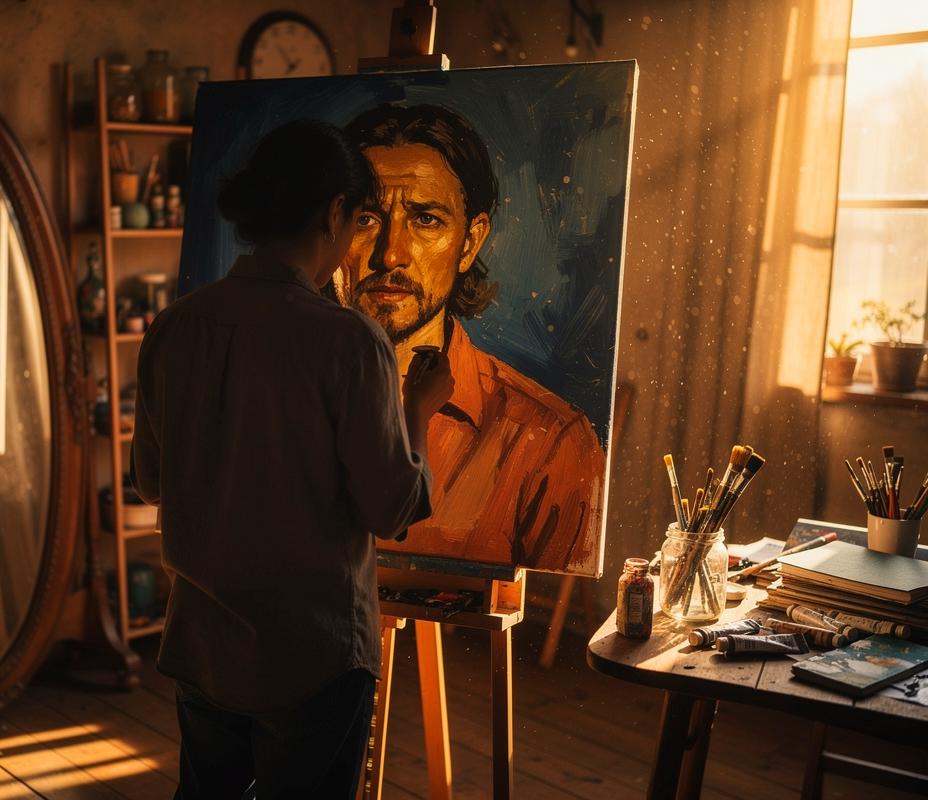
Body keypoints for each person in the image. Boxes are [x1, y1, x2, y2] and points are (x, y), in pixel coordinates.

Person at [130, 119, 453, 798]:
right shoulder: (348, 342)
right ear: (335, 212)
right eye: (361, 221)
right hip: (312, 654)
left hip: (202, 641)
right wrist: (418, 409)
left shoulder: (175, 326)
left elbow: (150, 481)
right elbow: (391, 506)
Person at [337, 104, 606, 572]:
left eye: (425, 219)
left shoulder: (551, 443)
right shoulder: (272, 395)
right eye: (365, 219)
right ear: (329, 229)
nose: (391, 255)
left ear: (470, 241)